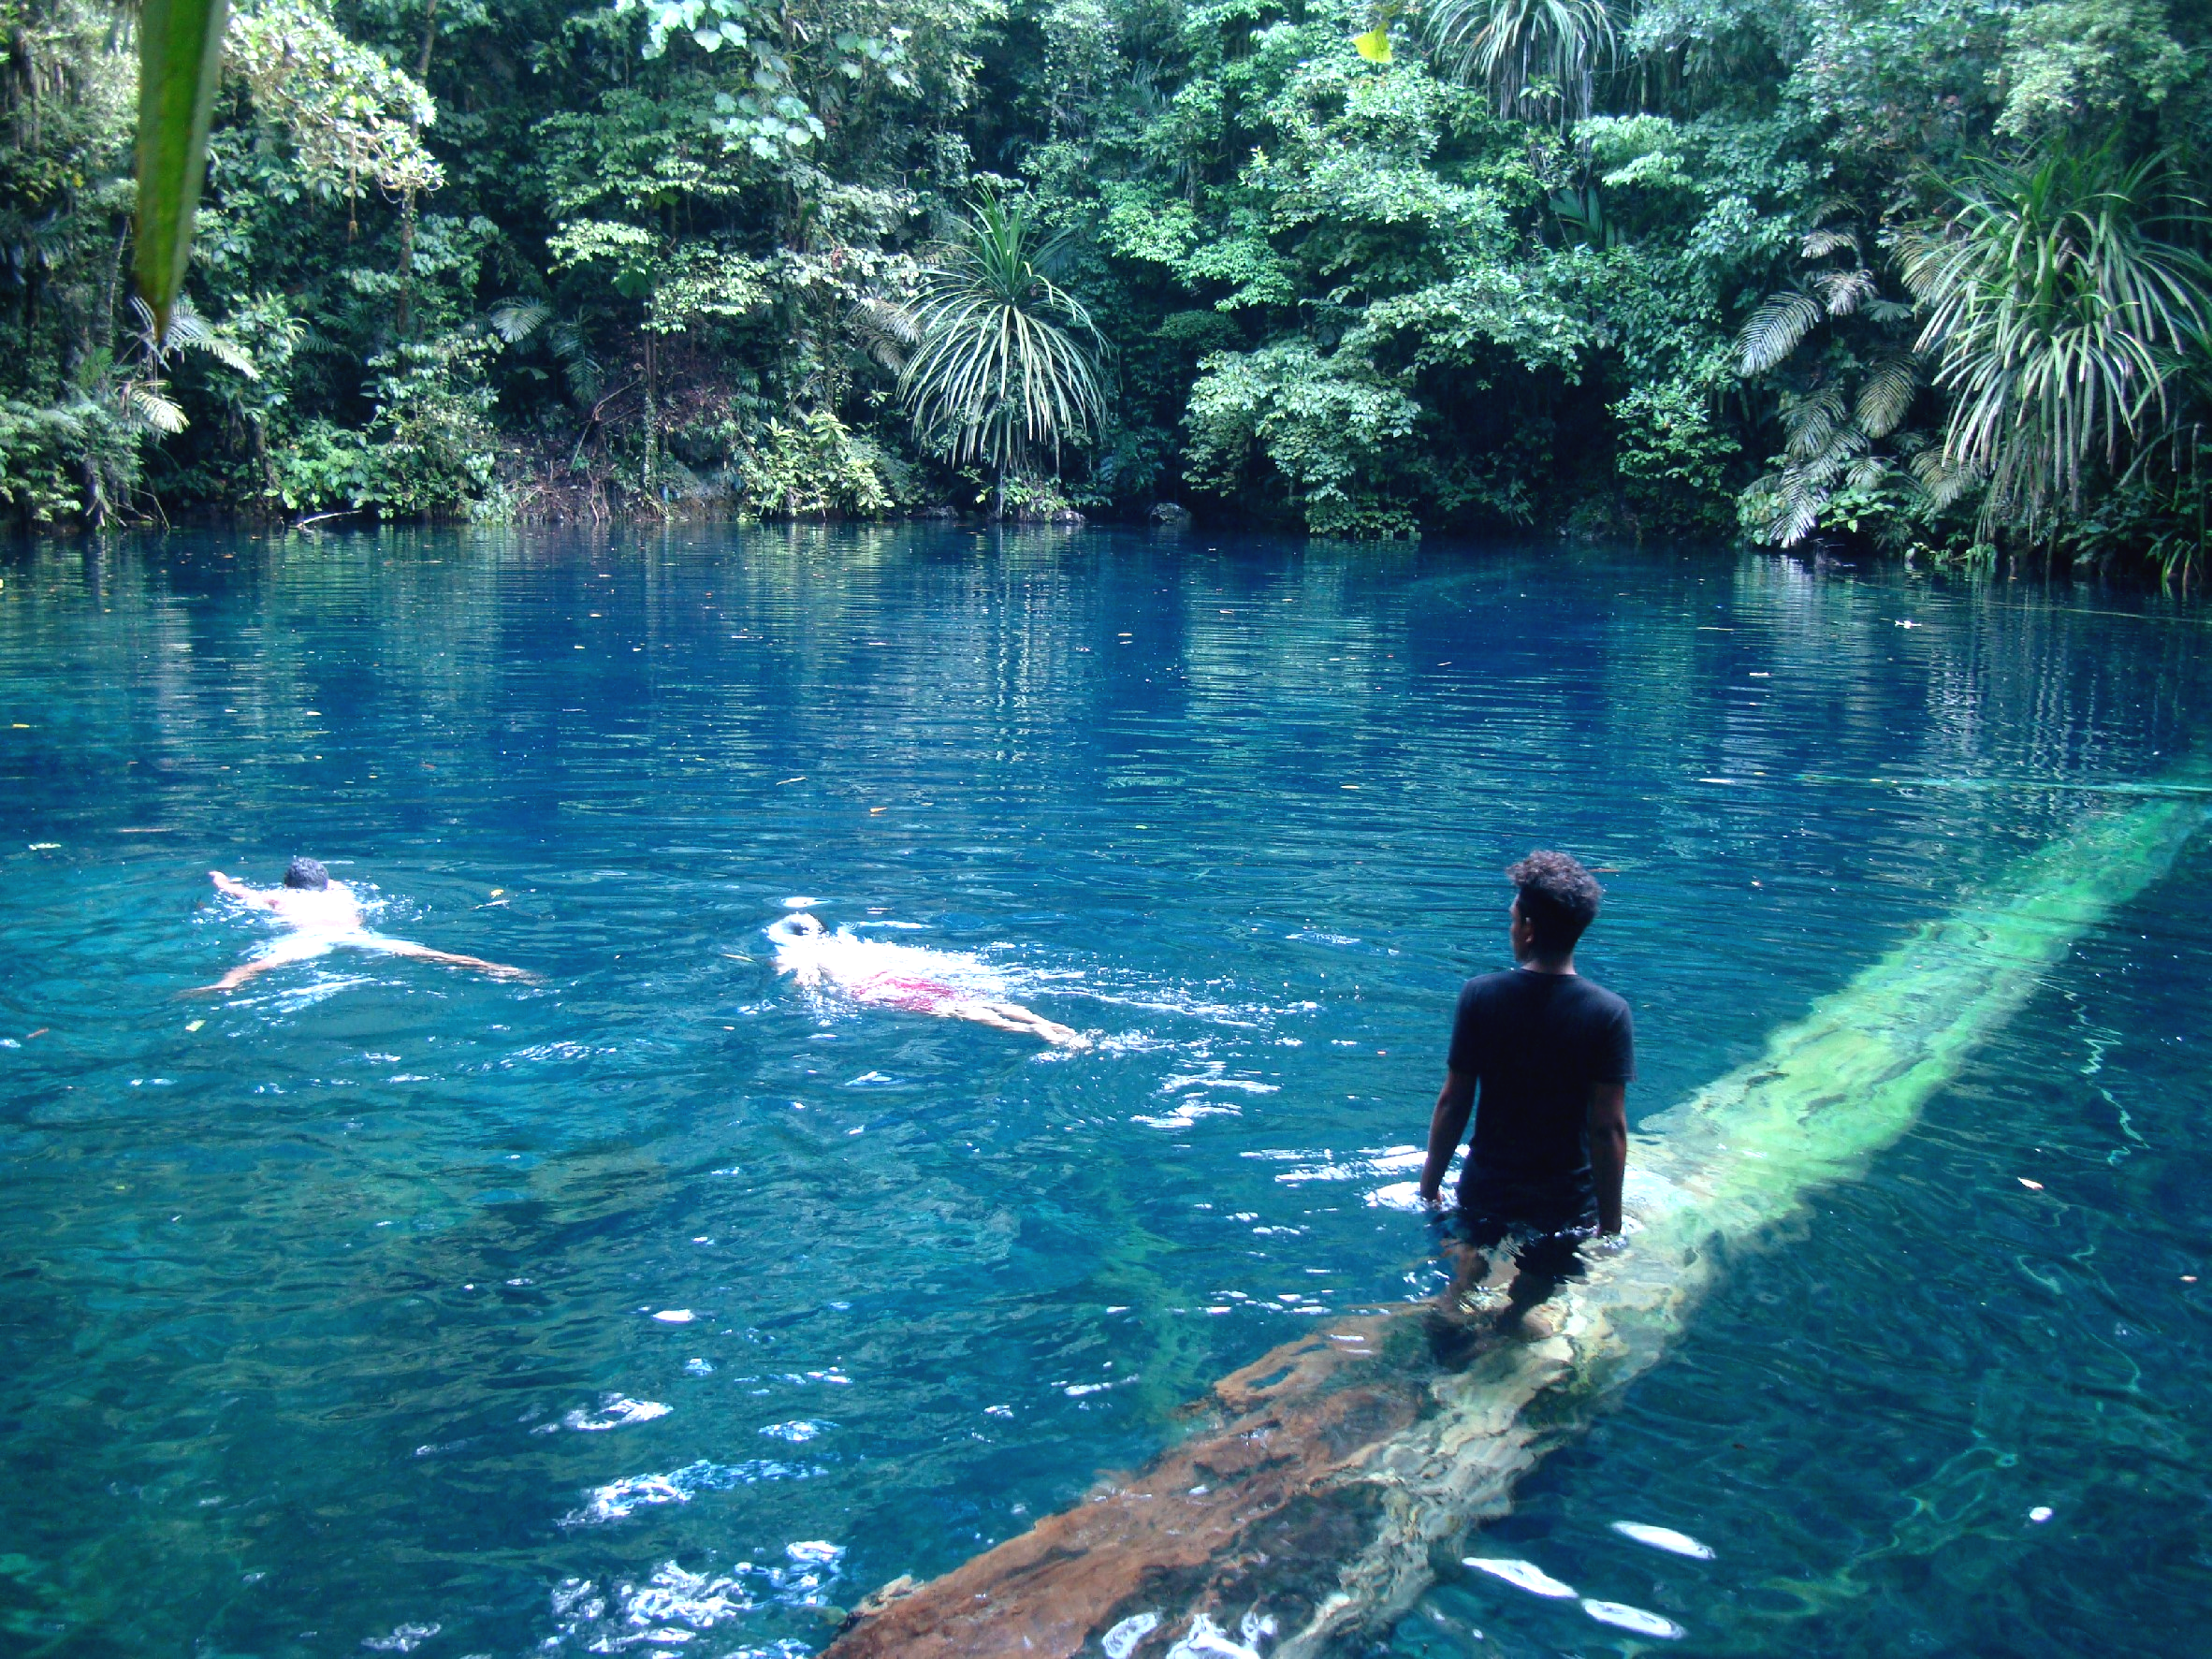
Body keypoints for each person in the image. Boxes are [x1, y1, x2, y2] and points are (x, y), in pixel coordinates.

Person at [1417, 849, 1632, 1326]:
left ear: (1529, 929)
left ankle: (1449, 1327)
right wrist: (1610, 1224)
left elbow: (1454, 1101)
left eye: (1513, 919)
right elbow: (1607, 1128)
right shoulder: (1608, 1013)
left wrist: (1429, 1186)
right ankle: (1507, 1329)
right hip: (1565, 1197)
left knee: (1464, 1276)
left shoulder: (1481, 994)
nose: (1510, 928)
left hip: (1488, 1185)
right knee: (1532, 1295)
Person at [191, 856, 532, 993]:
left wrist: (219, 879)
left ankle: (226, 985)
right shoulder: (339, 893)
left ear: (286, 885)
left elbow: (238, 893)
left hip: (309, 939)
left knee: (260, 965)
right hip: (359, 936)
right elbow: (330, 883)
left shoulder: (281, 898)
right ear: (327, 883)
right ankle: (492, 968)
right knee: (428, 954)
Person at [766, 912, 1087, 1047]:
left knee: (957, 1012)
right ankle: (1047, 1023)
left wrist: (795, 994)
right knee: (974, 1002)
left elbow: (802, 982)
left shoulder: (804, 954)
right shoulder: (850, 944)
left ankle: (1039, 1033)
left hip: (879, 989)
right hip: (901, 976)